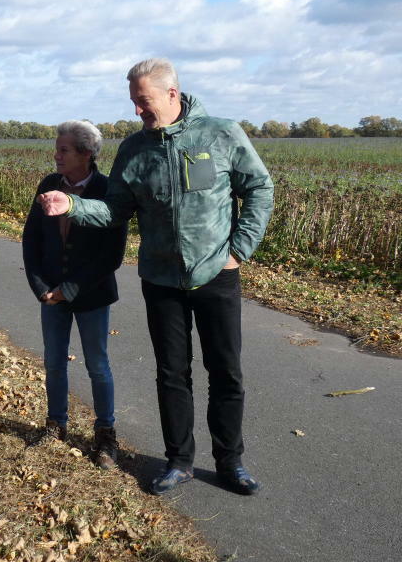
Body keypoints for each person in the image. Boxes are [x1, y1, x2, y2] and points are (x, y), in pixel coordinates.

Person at [37, 58, 274, 495]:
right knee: (171, 372)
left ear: (171, 94)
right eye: (133, 102)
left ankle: (230, 462)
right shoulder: (134, 150)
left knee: (226, 371)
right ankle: (179, 461)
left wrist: (239, 250)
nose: (137, 111)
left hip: (216, 274)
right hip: (161, 278)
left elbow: (259, 187)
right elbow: (115, 211)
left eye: (142, 101)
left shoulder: (221, 134)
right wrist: (74, 207)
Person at [22, 120, 127, 469]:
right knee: (54, 361)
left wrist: (70, 289)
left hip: (91, 296)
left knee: (98, 365)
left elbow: (111, 256)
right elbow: (31, 239)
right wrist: (41, 289)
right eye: (57, 148)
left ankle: (105, 435)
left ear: (86, 153)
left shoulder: (107, 189)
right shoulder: (49, 185)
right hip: (51, 297)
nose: (56, 156)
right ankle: (56, 424)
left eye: (63, 149)